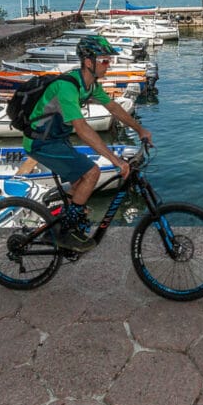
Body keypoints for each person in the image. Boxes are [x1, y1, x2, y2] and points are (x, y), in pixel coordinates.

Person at [24, 35, 150, 252]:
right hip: (40, 143)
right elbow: (81, 128)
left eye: (109, 60)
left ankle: (56, 212)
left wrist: (140, 130)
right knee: (92, 173)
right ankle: (65, 233)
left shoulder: (90, 86)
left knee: (82, 183)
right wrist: (116, 160)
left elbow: (114, 108)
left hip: (56, 140)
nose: (108, 65)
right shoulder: (68, 86)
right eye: (104, 60)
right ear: (89, 62)